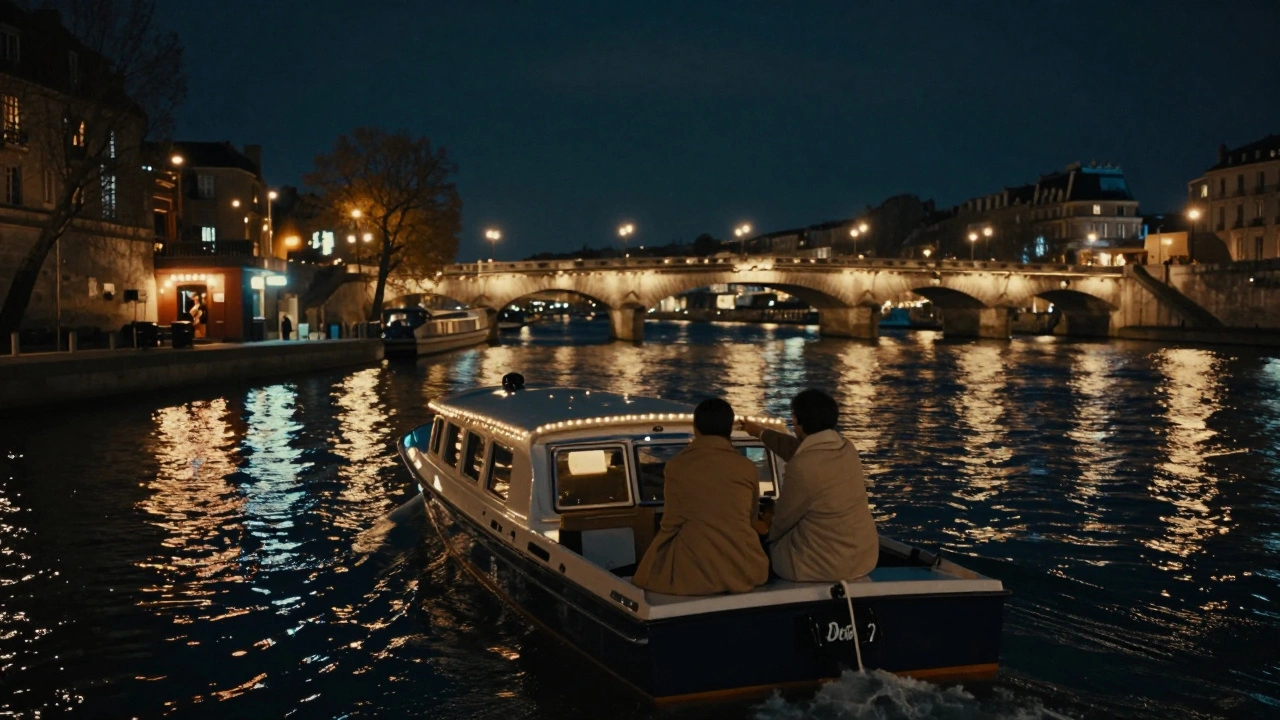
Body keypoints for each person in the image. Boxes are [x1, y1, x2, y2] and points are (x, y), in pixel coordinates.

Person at [632, 398, 769, 596]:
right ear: (729, 429)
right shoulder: (746, 467)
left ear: (696, 428)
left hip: (693, 570)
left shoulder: (677, 466)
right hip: (742, 567)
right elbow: (751, 517)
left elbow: (671, 522)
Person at [742, 389, 877, 582]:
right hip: (863, 558)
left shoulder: (802, 466)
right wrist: (759, 432)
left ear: (798, 421)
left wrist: (764, 529)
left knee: (760, 549)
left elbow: (783, 520)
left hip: (822, 564)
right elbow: (797, 449)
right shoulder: (847, 448)